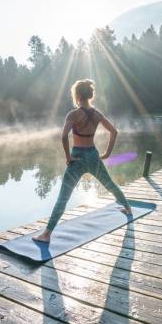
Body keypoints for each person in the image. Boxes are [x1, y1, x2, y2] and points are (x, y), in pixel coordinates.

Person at [32, 79, 132, 243]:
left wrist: (68, 157)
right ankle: (128, 209)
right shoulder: (97, 114)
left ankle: (47, 234)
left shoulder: (73, 115)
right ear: (89, 95)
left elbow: (64, 136)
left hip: (77, 158)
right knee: (109, 184)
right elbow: (114, 132)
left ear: (77, 95)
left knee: (63, 198)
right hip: (93, 155)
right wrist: (107, 153)